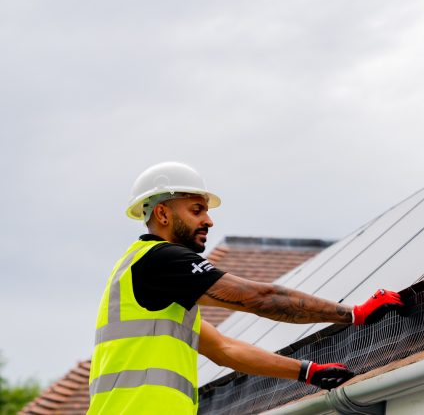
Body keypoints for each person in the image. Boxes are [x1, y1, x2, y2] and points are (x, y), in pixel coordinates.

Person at [88, 162, 403, 414]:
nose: (209, 221)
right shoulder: (161, 259)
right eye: (197, 210)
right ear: (162, 213)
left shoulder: (141, 276)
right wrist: (353, 314)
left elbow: (226, 349)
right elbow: (260, 298)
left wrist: (307, 371)